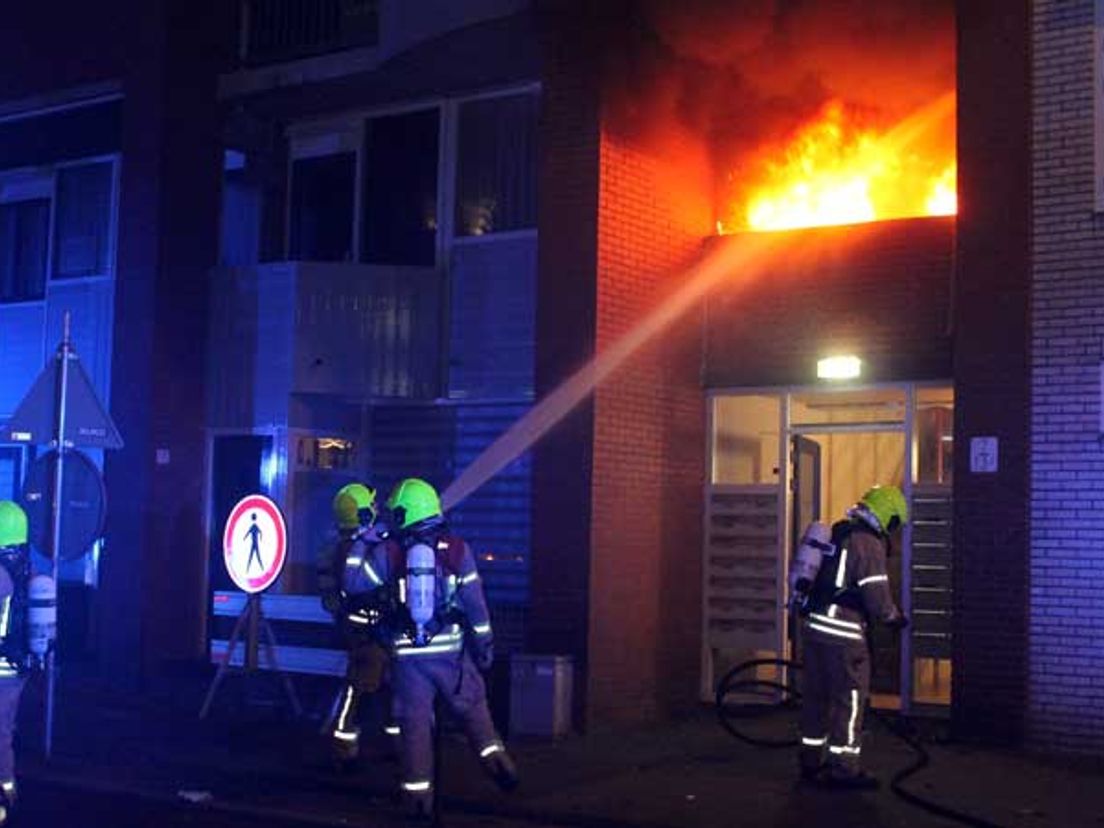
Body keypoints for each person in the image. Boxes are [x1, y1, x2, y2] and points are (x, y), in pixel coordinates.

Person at [366, 477, 518, 821]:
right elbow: (476, 606)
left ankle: (419, 804)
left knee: (415, 729)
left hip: (407, 660)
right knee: (475, 714)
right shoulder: (458, 550)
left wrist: (365, 543)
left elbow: (359, 586)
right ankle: (500, 767)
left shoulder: (389, 553)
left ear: (406, 513)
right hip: (451, 657)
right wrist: (485, 647)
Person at [797, 484, 909, 790]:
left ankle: (810, 760)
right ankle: (844, 768)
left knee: (816, 697)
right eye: (896, 523)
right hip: (843, 633)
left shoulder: (839, 532)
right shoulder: (868, 543)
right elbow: (876, 596)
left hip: (815, 626)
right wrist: (893, 618)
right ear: (888, 516)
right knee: (851, 701)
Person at [317, 482, 392, 766]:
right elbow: (365, 588)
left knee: (385, 684)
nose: (376, 509)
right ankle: (342, 746)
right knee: (360, 686)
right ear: (362, 515)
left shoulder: (345, 546)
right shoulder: (354, 550)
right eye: (371, 507)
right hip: (366, 632)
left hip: (365, 629)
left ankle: (391, 742)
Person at [0, 501, 40, 825]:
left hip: (0, 669)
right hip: (16, 668)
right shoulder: (25, 568)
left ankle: (5, 796)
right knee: (4, 729)